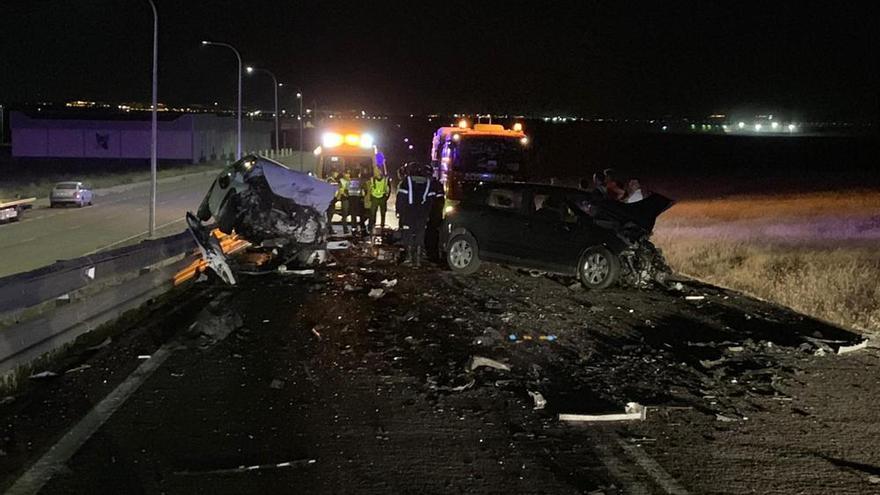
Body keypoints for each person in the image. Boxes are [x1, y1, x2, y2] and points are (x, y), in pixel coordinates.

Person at [396, 162, 436, 267]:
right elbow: (430, 201)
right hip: (422, 214)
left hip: (408, 213)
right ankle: (417, 260)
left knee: (407, 234)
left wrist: (399, 211)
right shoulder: (428, 183)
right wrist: (427, 214)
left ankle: (409, 258)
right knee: (419, 235)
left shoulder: (406, 182)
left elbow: (401, 198)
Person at [424, 171, 445, 261]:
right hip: (437, 214)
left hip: (433, 214)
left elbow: (429, 201)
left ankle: (431, 254)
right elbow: (441, 200)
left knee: (430, 234)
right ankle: (434, 254)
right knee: (434, 234)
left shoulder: (431, 185)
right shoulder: (437, 184)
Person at [366, 167, 391, 232]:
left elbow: (388, 189)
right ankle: (371, 226)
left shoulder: (385, 179)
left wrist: (386, 198)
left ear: (381, 172)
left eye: (378, 171)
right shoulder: (372, 179)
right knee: (372, 214)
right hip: (374, 198)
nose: (377, 172)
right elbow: (370, 189)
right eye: (376, 171)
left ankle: (382, 227)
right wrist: (370, 197)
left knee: (383, 213)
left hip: (382, 198)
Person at [347, 169, 367, 235]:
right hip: (359, 199)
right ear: (358, 174)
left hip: (351, 199)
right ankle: (363, 229)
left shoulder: (349, 181)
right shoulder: (360, 181)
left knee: (353, 215)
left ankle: (354, 230)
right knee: (361, 215)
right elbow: (364, 190)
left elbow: (346, 190)